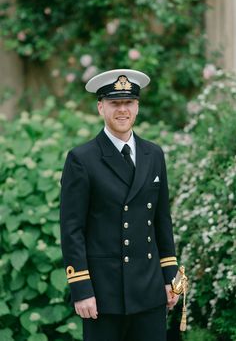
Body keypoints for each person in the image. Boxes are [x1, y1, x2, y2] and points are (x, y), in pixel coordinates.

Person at [60, 69, 179, 341]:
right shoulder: (82, 159)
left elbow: (162, 221)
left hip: (149, 291)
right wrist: (81, 289)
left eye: (128, 103)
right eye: (115, 103)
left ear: (137, 107)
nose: (122, 110)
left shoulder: (153, 154)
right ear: (101, 107)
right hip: (103, 296)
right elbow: (72, 230)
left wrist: (171, 278)